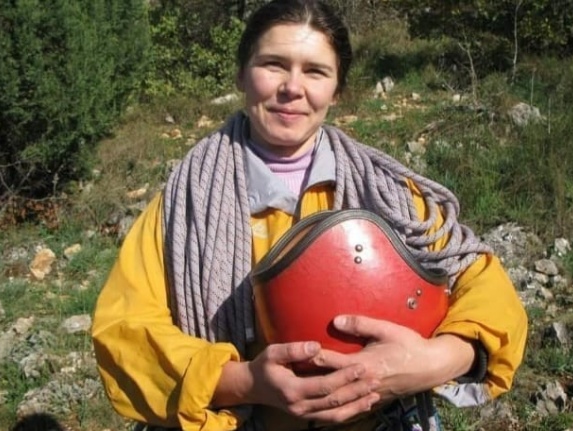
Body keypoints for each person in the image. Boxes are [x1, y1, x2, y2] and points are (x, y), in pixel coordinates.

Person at [91, 1, 529, 430]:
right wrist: (244, 382)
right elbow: (123, 332)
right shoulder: (186, 205)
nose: (292, 87)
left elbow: (484, 286)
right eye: (274, 65)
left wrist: (434, 360)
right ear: (242, 73)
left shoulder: (388, 192)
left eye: (315, 71)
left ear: (336, 90)